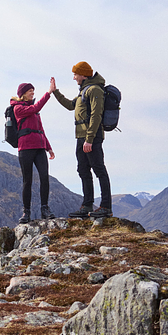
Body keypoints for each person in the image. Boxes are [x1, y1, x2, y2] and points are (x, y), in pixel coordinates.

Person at [50, 61, 112, 218]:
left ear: (84, 75)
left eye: (75, 74)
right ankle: (87, 205)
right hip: (81, 137)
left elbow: (96, 115)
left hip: (91, 137)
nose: (74, 77)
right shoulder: (83, 92)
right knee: (83, 170)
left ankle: (106, 206)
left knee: (99, 169)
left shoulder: (95, 90)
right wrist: (55, 92)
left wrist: (90, 139)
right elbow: (70, 105)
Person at [11, 82, 56, 223]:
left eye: (33, 91)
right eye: (30, 91)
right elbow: (36, 107)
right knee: (27, 181)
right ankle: (26, 212)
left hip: (39, 148)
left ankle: (45, 209)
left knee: (44, 177)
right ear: (22, 93)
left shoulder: (34, 110)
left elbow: (41, 130)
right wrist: (49, 92)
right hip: (25, 148)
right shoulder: (18, 108)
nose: (32, 93)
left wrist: (48, 147)